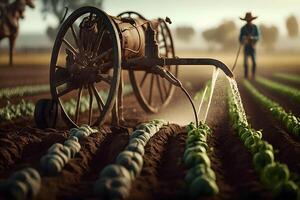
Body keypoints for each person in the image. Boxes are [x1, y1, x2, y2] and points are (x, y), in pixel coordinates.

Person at [239, 12, 259, 79]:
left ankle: (253, 75)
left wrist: (252, 38)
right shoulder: (243, 29)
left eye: (250, 20)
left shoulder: (255, 27)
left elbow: (258, 37)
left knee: (254, 62)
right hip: (246, 48)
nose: (248, 21)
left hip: (253, 48)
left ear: (251, 20)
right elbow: (240, 39)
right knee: (245, 63)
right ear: (246, 20)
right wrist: (243, 39)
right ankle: (246, 75)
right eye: (247, 20)